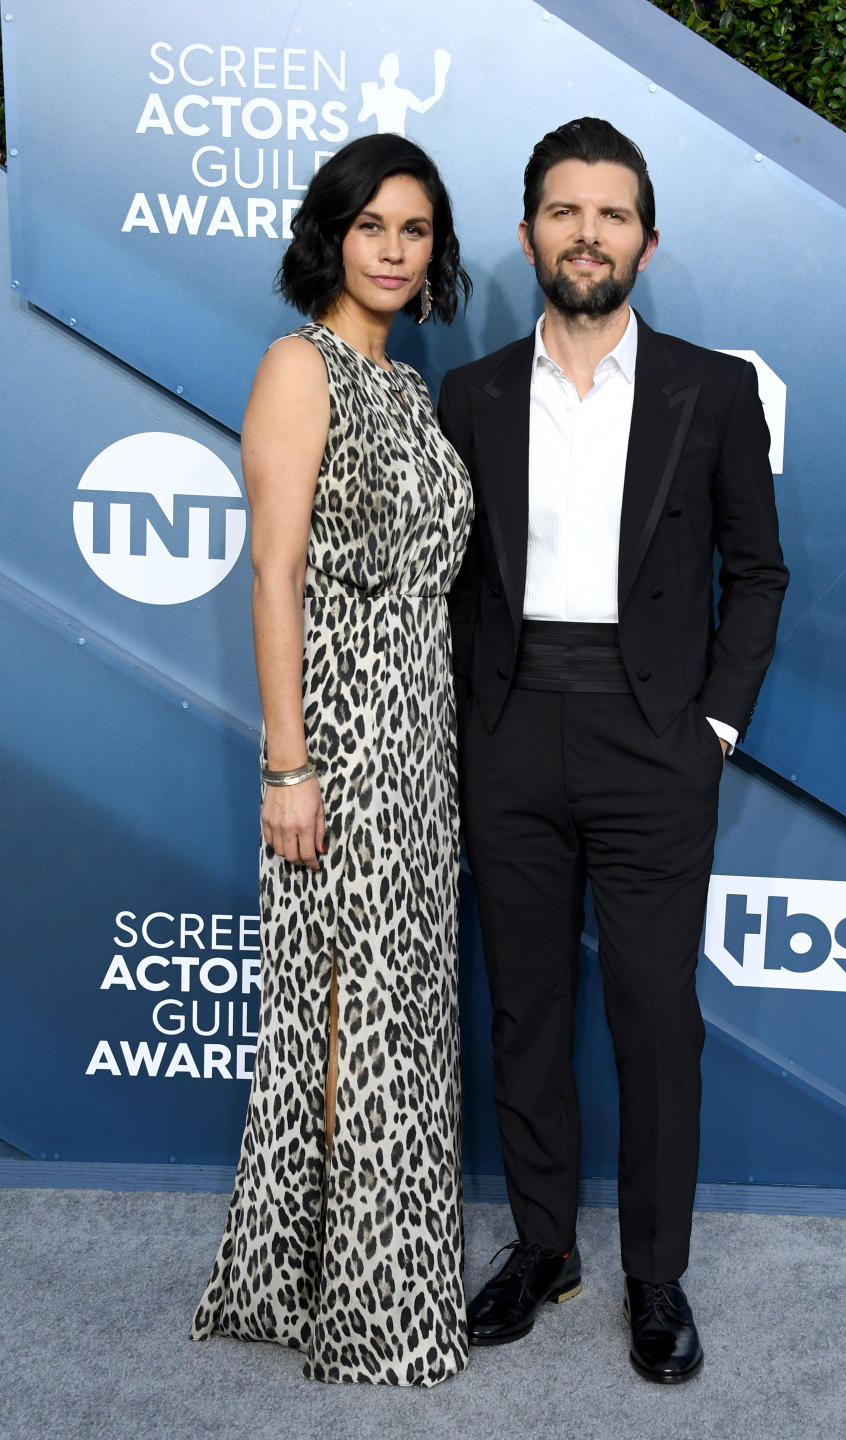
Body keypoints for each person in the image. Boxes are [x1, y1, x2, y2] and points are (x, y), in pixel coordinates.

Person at [438, 117, 788, 1383]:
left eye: (613, 213)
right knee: (526, 1006)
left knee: (654, 1016)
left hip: (656, 744)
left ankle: (655, 1274)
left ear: (647, 237)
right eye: (565, 211)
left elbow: (758, 573)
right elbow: (462, 586)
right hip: (514, 734)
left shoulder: (713, 388)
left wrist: (711, 728)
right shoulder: (469, 393)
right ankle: (544, 1249)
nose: (589, 233)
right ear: (529, 230)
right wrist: (476, 726)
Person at [191, 133, 473, 1387]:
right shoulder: (295, 368)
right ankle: (360, 1296)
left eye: (416, 231)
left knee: (399, 1007)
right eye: (374, 228)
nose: (396, 252)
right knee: (352, 1007)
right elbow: (274, 570)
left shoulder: (406, 389)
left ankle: (349, 1270)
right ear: (331, 236)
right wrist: (290, 765)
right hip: (347, 732)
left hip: (423, 728)